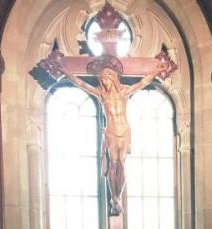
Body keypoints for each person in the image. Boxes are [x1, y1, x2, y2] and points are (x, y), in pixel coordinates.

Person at [63, 65, 166, 215]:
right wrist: (66, 71)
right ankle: (115, 198)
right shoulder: (101, 94)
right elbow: (81, 84)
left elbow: (142, 83)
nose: (104, 83)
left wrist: (156, 70)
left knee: (122, 164)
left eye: (106, 79)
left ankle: (119, 196)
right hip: (111, 132)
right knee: (113, 164)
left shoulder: (124, 91)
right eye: (102, 80)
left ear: (113, 79)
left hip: (124, 131)